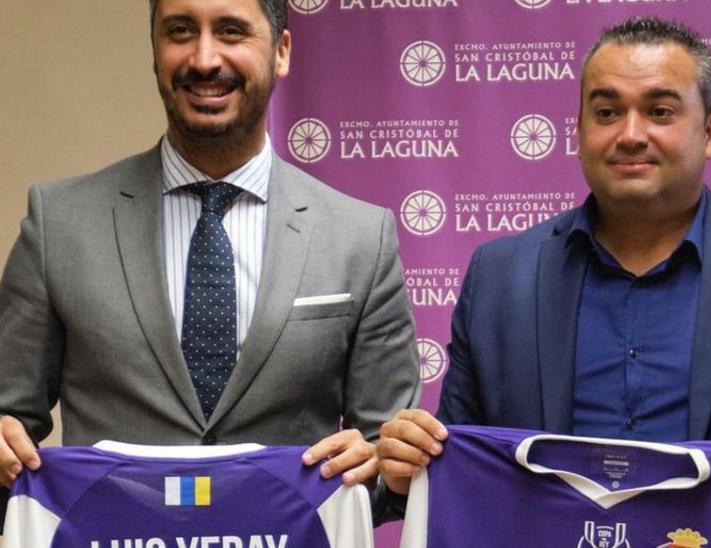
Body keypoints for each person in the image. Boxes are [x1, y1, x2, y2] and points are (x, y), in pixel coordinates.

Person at [376, 16, 711, 521]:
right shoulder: (501, 277)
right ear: (579, 131)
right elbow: (458, 456)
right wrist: (408, 463)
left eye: (660, 111)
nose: (630, 134)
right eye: (606, 113)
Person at [0, 0, 419, 507]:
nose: (203, 59)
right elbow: (8, 420)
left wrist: (382, 472)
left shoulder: (360, 236)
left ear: (281, 52)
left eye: (231, 31)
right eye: (180, 31)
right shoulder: (59, 223)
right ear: (155, 50)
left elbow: (389, 461)